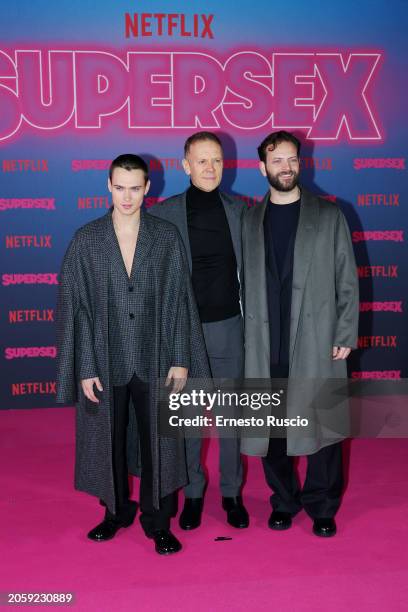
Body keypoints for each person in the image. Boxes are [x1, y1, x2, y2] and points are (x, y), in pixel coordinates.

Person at [56, 154, 209, 555]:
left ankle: (158, 521)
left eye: (135, 188)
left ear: (147, 188)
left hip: (156, 358)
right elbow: (76, 310)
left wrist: (180, 357)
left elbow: (180, 302)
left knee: (161, 439)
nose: (127, 196)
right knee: (109, 440)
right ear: (109, 185)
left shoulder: (165, 237)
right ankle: (115, 512)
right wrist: (85, 367)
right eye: (120, 187)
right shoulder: (86, 240)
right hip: (106, 361)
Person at [241, 131, 359, 537]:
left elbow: (347, 280)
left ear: (300, 164)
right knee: (271, 433)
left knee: (323, 429)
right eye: (277, 161)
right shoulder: (249, 219)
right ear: (263, 168)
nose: (286, 167)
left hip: (316, 341)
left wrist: (346, 330)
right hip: (264, 345)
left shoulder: (329, 216)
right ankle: (284, 500)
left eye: (292, 159)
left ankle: (322, 505)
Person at [148, 132, 249, 530]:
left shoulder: (241, 211)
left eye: (217, 161)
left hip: (229, 327)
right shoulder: (163, 214)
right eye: (201, 161)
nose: (210, 168)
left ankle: (232, 494)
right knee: (187, 418)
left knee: (231, 420)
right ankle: (192, 493)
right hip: (183, 332)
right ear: (186, 166)